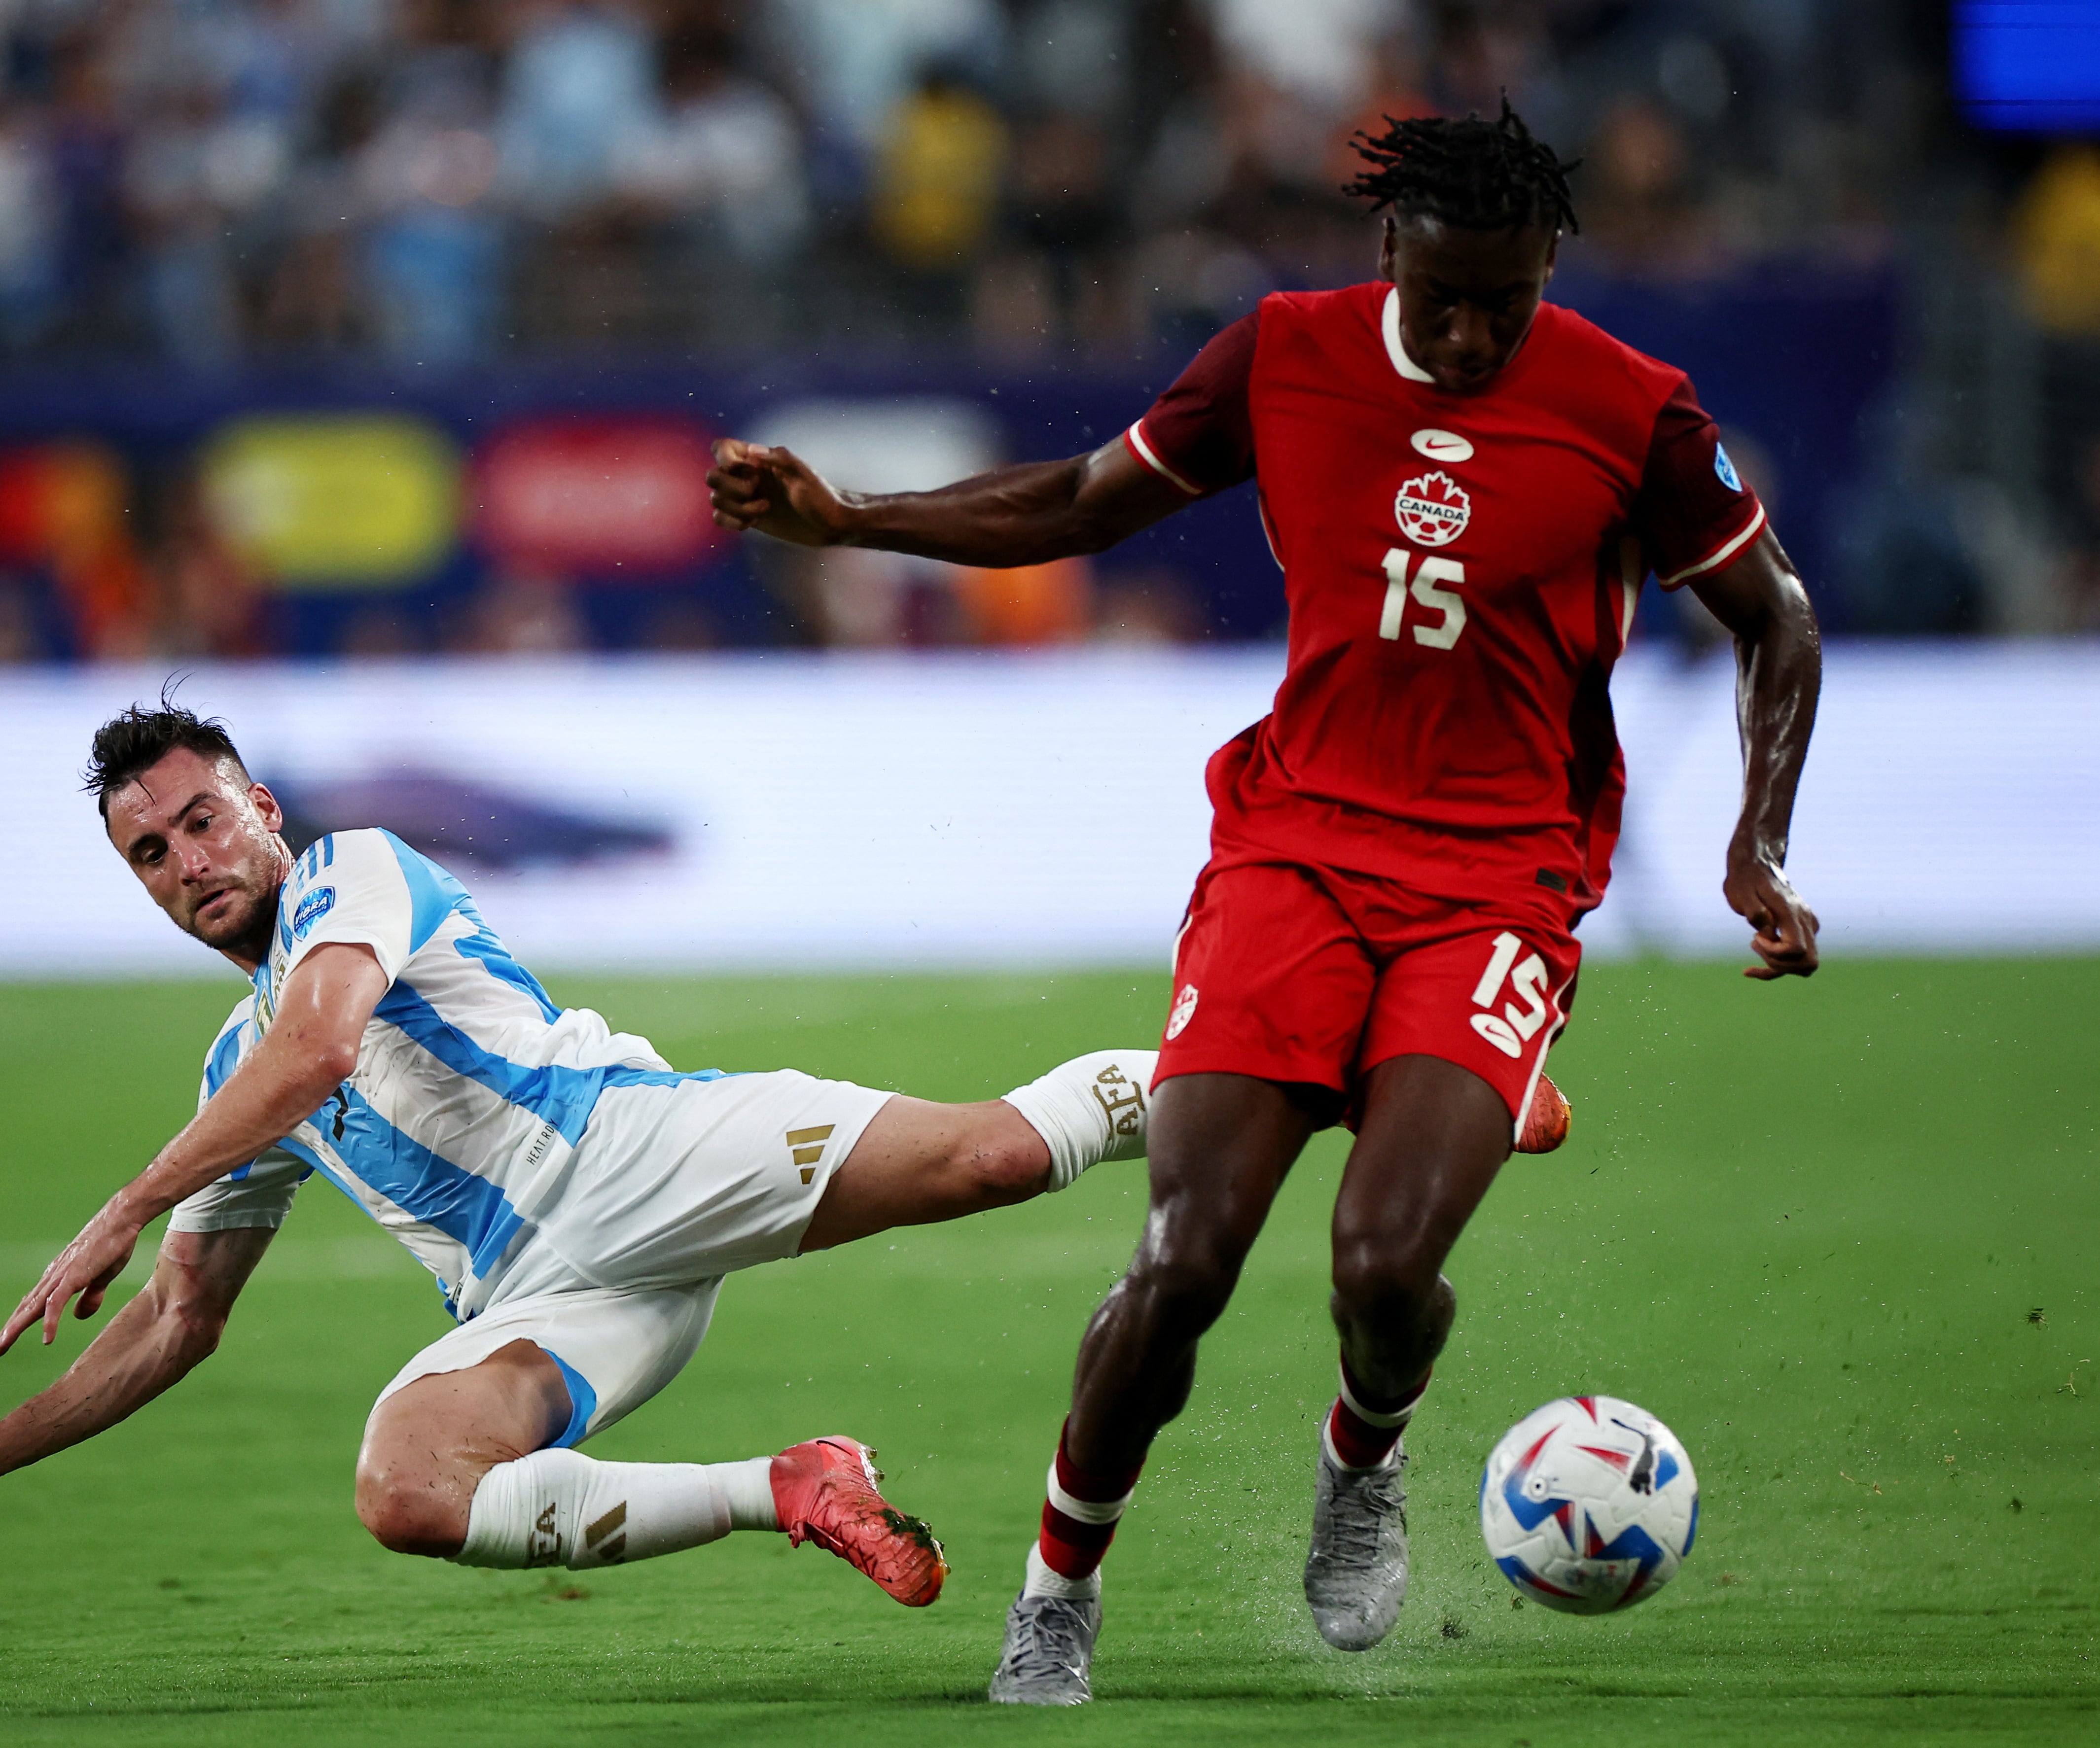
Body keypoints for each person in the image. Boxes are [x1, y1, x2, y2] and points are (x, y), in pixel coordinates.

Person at [705, 101, 1821, 1701]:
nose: (1467, 329)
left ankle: (1361, 1459)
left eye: (1502, 302)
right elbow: (1083, 502)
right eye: (1441, 295)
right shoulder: (1283, 354)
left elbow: (1776, 623)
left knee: (1378, 1262)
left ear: (1547, 268)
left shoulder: (1630, 409)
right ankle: (1056, 1588)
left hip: (1499, 885)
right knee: (1183, 1258)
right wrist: (853, 521)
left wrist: (1754, 845)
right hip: (1289, 856)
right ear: (1388, 249)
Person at [0, 700, 1160, 1610]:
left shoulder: (352, 873)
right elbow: (173, 1316)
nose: (187, 860)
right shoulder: (230, 1077)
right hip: (550, 1303)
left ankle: (1240, 1071)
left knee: (990, 1156)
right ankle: (792, 1484)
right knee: (406, 1488)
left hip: (640, 1152)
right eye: (150, 853)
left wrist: (121, 1201)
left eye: (202, 818)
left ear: (260, 804)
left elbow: (322, 1048)